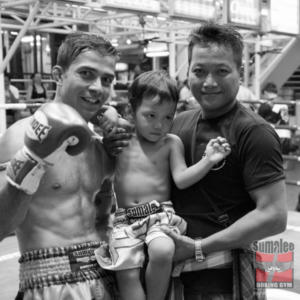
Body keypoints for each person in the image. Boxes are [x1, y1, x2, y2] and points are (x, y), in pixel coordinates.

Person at [104, 23, 287, 299]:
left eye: (222, 71)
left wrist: (198, 247)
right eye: (199, 71)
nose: (209, 82)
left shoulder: (255, 133)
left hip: (224, 278)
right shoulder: (174, 124)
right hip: (170, 274)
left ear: (241, 72)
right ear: (188, 71)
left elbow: (274, 217)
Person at [0, 32, 120, 300]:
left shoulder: (101, 146)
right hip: (49, 285)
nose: (98, 87)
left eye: (107, 79)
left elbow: (110, 217)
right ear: (58, 75)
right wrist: (32, 159)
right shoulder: (20, 136)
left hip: (106, 279)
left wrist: (125, 151)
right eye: (86, 74)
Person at [96, 70, 231, 300]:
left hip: (159, 214)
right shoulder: (122, 135)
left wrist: (208, 160)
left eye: (168, 117)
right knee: (125, 272)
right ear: (131, 110)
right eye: (151, 115)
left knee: (163, 250)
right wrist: (107, 111)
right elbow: (97, 113)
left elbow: (181, 178)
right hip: (124, 218)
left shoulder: (171, 143)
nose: (160, 125)